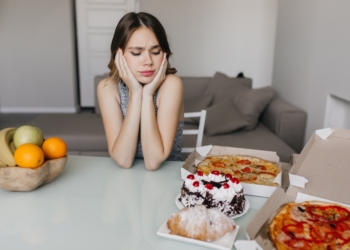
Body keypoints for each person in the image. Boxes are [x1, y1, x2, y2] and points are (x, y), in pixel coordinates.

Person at [97, 12, 184, 171]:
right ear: (119, 54)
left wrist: (148, 94)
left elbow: (153, 162)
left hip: (166, 178)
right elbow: (123, 160)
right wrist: (136, 94)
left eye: (156, 51)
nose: (148, 61)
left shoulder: (172, 85)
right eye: (137, 53)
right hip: (125, 180)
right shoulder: (107, 88)